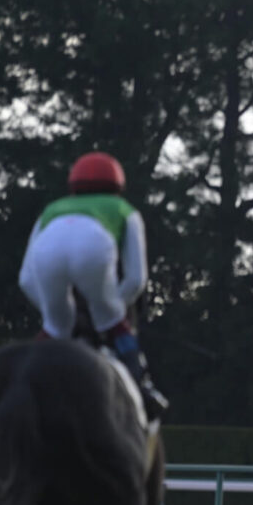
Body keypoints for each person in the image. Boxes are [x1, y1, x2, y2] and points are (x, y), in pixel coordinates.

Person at [18, 151, 168, 420]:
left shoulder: (51, 211)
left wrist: (60, 312)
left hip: (46, 253)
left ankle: (16, 389)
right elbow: (135, 280)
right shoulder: (125, 210)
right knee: (111, 320)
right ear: (118, 185)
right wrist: (111, 310)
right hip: (94, 249)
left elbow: (27, 280)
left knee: (55, 328)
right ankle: (143, 389)